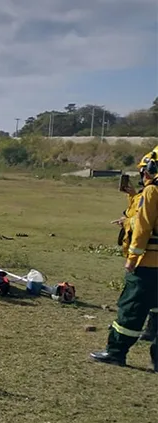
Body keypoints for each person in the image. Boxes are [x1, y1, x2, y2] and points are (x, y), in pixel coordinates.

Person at [91, 154, 158, 371]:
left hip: (148, 263)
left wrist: (132, 258)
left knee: (131, 309)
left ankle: (116, 352)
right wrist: (132, 197)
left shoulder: (152, 191)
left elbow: (143, 226)